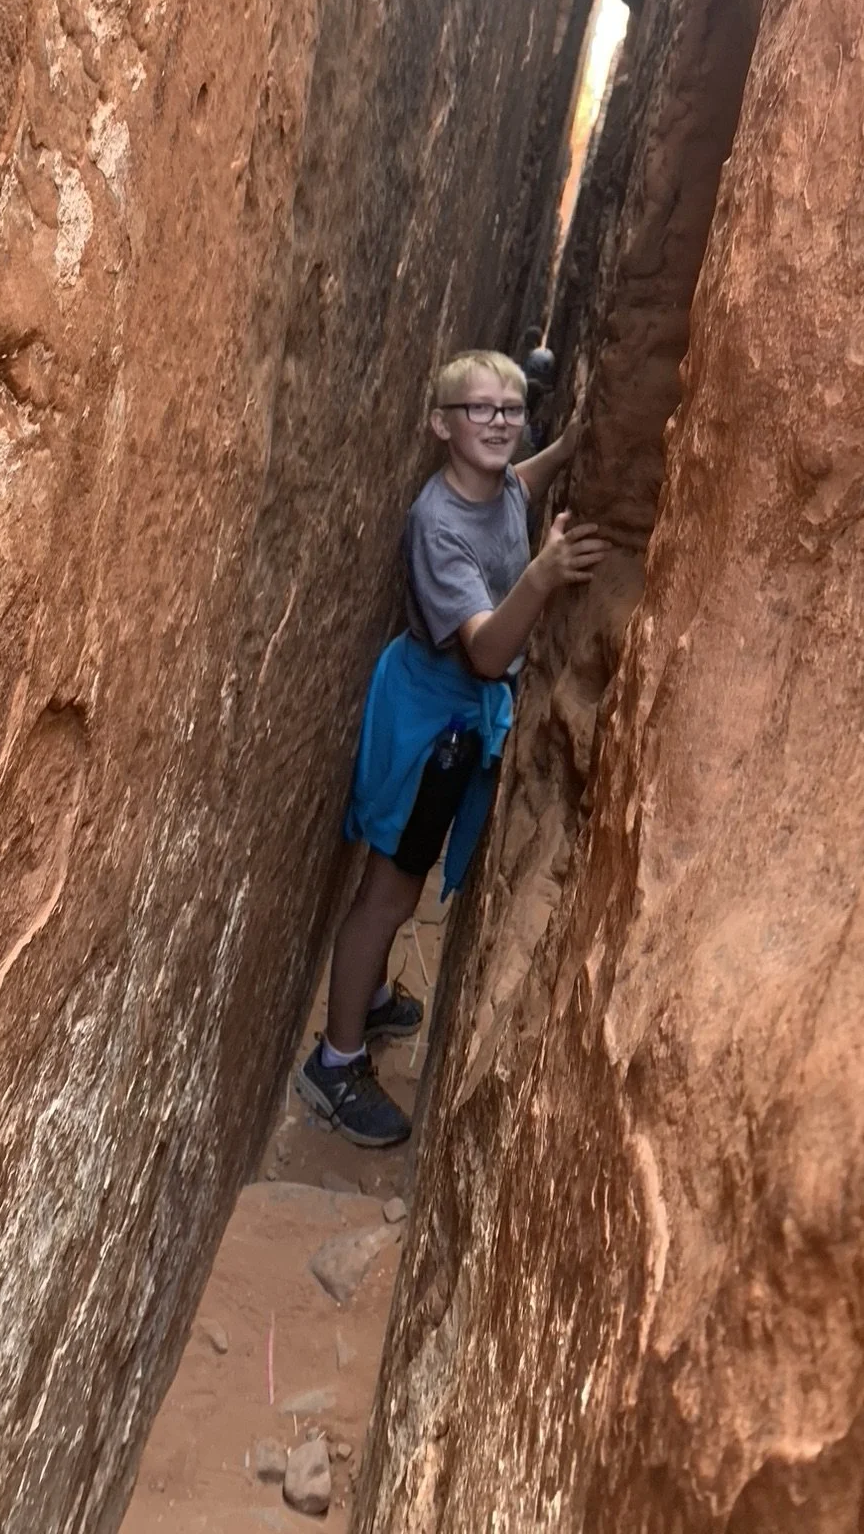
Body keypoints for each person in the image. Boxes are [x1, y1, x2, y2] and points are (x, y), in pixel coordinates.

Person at [295, 348, 607, 1146]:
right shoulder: (437, 526)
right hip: (428, 721)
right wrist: (541, 576)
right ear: (441, 425)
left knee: (400, 880)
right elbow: (488, 653)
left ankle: (367, 1001)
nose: (500, 422)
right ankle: (335, 1063)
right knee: (388, 893)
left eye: (511, 408)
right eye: (480, 410)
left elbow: (518, 488)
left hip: (452, 717)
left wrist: (568, 446)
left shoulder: (495, 485)